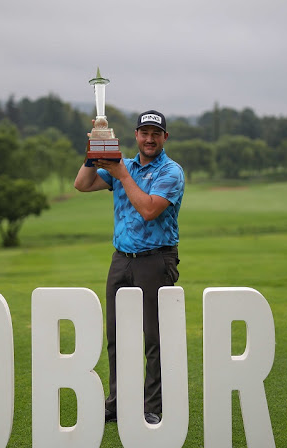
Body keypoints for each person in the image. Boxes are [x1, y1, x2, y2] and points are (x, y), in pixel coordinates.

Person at [74, 110, 185, 425]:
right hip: (122, 258)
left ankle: (153, 405)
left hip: (157, 259)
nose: (149, 139)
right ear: (136, 135)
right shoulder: (126, 165)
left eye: (155, 133)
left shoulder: (171, 172)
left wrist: (122, 174)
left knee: (153, 337)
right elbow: (82, 184)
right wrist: (93, 154)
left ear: (164, 138)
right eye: (144, 132)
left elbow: (149, 209)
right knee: (116, 335)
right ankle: (118, 401)